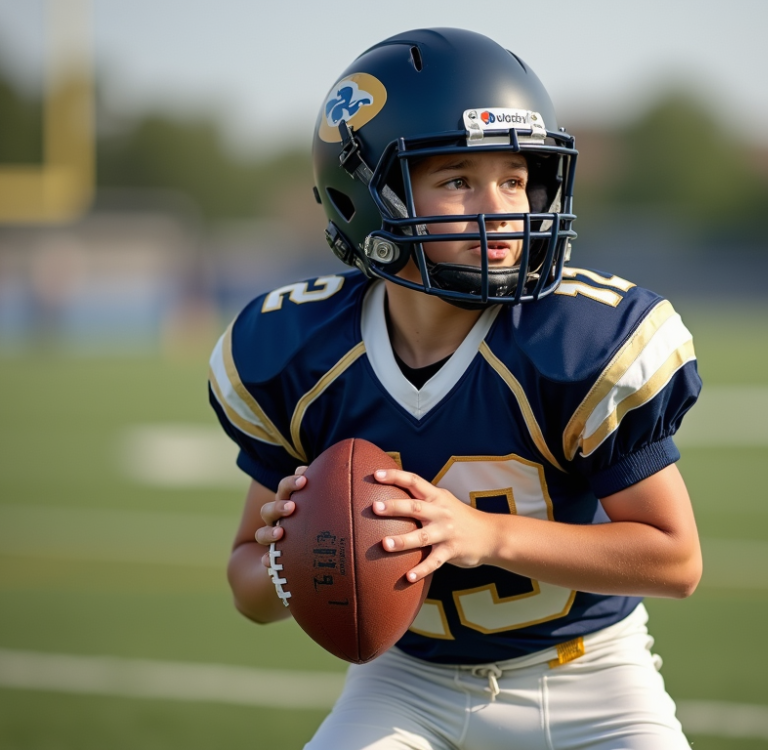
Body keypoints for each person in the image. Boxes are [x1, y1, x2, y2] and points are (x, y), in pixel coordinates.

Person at [209, 27, 702, 750]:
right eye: (457, 180)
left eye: (514, 177)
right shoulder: (300, 352)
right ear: (365, 195)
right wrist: (297, 553)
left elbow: (675, 560)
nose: (501, 205)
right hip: (406, 683)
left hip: (590, 679)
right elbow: (248, 588)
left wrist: (485, 535)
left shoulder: (579, 340)